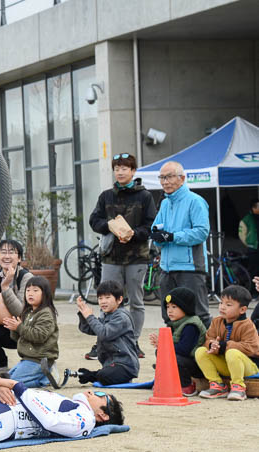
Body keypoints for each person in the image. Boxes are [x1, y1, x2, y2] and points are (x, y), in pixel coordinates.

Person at [88, 153, 156, 359]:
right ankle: (104, 340)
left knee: (136, 301)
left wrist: (134, 234)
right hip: (111, 257)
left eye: (125, 168)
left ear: (133, 171)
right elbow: (94, 220)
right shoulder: (106, 195)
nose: (120, 172)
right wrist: (108, 226)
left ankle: (132, 341)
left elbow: (151, 225)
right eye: (117, 168)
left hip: (137, 257)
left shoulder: (145, 196)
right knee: (108, 300)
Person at [151, 161, 211, 328]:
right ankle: (176, 353)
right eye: (162, 177)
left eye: (169, 177)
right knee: (169, 317)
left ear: (182, 178)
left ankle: (206, 353)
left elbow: (201, 232)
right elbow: (156, 228)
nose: (165, 181)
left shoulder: (195, 201)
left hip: (190, 268)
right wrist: (156, 235)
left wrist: (172, 237)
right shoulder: (164, 203)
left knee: (199, 314)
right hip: (166, 268)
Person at [196, 285, 259, 401]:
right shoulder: (216, 321)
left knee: (232, 353)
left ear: (242, 310)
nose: (222, 307)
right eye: (221, 303)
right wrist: (212, 346)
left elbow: (253, 348)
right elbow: (208, 338)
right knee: (201, 351)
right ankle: (217, 385)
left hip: (248, 367)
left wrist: (224, 346)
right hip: (227, 365)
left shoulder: (248, 325)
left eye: (228, 305)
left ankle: (239, 387)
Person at [76, 280, 139, 386]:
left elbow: (104, 334)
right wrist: (83, 314)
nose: (103, 301)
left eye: (107, 297)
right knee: (104, 375)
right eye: (100, 298)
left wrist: (90, 317)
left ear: (119, 300)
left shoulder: (121, 317)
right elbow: (89, 329)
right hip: (111, 364)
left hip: (125, 365)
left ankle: (93, 375)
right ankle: (95, 375)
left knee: (103, 376)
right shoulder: (107, 315)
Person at [0, 239, 33, 370]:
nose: (7, 256)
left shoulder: (26, 278)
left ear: (19, 258)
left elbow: (20, 311)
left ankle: (31, 362)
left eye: (11, 252)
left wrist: (5, 287)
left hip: (25, 329)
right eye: (3, 252)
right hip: (2, 327)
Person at [3, 276, 59, 388]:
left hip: (40, 360)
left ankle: (45, 379)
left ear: (45, 294)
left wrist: (19, 327)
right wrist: (13, 328)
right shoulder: (28, 312)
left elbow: (40, 336)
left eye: (35, 290)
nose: (30, 293)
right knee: (6, 379)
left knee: (11, 383)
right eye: (28, 290)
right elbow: (19, 338)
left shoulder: (46, 313)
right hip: (27, 359)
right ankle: (43, 378)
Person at [149, 287, 206, 396]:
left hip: (195, 364)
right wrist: (161, 347)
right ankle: (166, 381)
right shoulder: (177, 322)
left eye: (174, 307)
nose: (169, 311)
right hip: (184, 360)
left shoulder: (191, 325)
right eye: (167, 307)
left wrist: (163, 345)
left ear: (186, 307)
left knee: (175, 357)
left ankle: (187, 386)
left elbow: (184, 350)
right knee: (160, 352)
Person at [239, 198, 259, 296]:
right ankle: (252, 292)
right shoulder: (247, 219)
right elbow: (242, 234)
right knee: (253, 271)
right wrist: (249, 244)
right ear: (253, 208)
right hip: (253, 249)